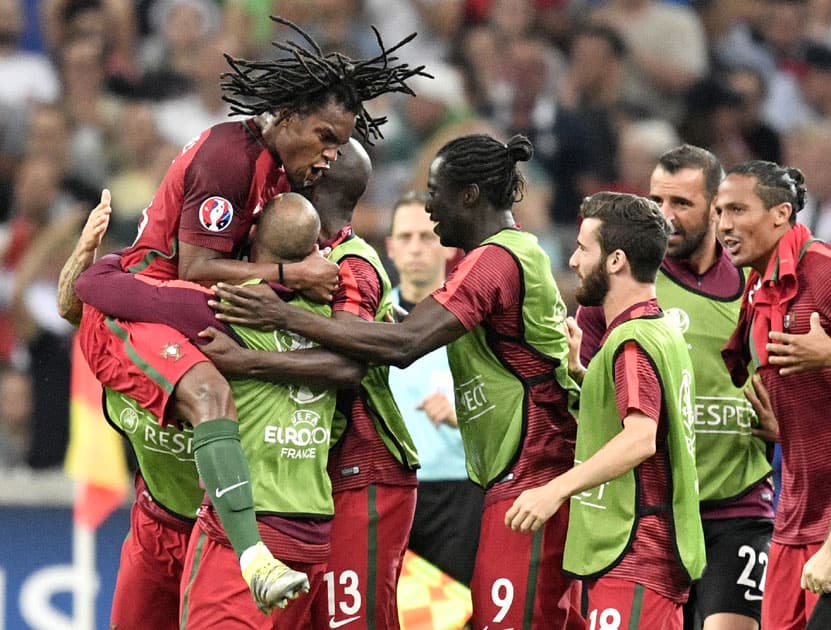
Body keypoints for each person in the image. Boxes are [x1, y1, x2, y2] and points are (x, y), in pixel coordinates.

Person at [73, 17, 427, 613]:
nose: (328, 153)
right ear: (287, 115)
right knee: (210, 386)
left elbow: (342, 355)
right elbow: (194, 268)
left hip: (252, 492)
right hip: (145, 318)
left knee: (206, 371)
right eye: (323, 136)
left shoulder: (282, 184)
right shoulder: (232, 159)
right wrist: (294, 280)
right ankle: (251, 554)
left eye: (338, 145)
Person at [210, 133, 585, 629]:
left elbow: (404, 346)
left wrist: (282, 318)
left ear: (468, 195)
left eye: (435, 192)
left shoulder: (495, 259)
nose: (428, 208)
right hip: (512, 472)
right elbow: (404, 329)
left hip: (530, 469)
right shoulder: (489, 259)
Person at [66, 191, 367, 628]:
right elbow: (349, 389)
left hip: (237, 525)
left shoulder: (219, 307)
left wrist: (124, 252)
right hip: (310, 527)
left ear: (249, 236)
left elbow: (93, 286)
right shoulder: (336, 324)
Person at [576, 145, 773, 630]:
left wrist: (784, 426)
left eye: (681, 204)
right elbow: (589, 398)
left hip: (735, 507)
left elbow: (795, 393)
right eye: (656, 201)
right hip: (653, 513)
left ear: (715, 208)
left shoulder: (757, 283)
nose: (665, 217)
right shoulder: (619, 286)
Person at [505, 192, 705, 629]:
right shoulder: (660, 330)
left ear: (615, 261)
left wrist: (554, 489)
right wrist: (584, 375)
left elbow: (640, 438)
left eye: (583, 248)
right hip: (642, 555)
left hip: (636, 554)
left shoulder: (631, 342)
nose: (574, 261)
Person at [718, 160, 831, 630]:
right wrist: (783, 427)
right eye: (720, 211)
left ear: (781, 214)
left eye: (738, 209)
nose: (724, 224)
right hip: (793, 516)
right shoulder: (758, 285)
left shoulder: (823, 272)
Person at [386, 190, 483, 586]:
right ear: (389, 247)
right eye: (405, 237)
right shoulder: (368, 324)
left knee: (455, 609)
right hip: (390, 489)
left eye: (426, 237)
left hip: (457, 490)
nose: (415, 248)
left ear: (447, 247)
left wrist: (463, 415)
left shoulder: (475, 324)